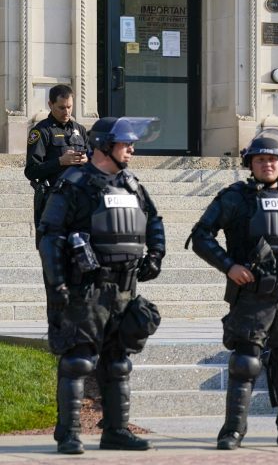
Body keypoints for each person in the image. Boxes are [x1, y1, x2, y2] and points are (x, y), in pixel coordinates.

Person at [188, 129, 278, 449]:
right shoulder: (234, 197)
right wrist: (229, 266)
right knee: (245, 362)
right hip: (251, 295)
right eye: (260, 159)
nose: (267, 165)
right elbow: (201, 236)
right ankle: (232, 432)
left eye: (273, 160)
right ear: (250, 163)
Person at [37, 117, 165, 454]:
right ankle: (69, 434)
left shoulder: (132, 183)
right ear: (105, 145)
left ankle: (117, 431)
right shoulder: (74, 183)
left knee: (118, 362)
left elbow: (154, 220)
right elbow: (49, 236)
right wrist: (58, 284)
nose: (132, 150)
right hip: (86, 290)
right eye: (126, 144)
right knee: (78, 360)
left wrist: (155, 256)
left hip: (125, 290)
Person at [25, 84, 90, 245]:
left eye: (69, 107)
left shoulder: (80, 130)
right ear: (50, 105)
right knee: (53, 255)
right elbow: (31, 171)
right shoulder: (41, 131)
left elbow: (94, 161)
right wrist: (60, 161)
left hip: (79, 202)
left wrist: (87, 160)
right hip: (52, 202)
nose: (66, 112)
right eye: (61, 107)